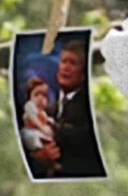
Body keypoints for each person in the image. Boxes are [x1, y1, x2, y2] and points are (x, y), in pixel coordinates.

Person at [27, 40, 106, 179]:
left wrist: (51, 127)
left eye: (73, 63)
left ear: (83, 72)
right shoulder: (50, 108)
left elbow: (82, 135)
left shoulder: (86, 107)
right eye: (64, 62)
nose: (66, 68)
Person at [21, 77, 60, 177]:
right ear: (30, 96)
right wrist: (42, 127)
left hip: (41, 134)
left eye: (44, 95)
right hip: (31, 132)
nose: (41, 98)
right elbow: (33, 119)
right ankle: (39, 155)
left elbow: (47, 120)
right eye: (37, 94)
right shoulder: (29, 106)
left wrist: (50, 123)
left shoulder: (43, 112)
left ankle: (51, 165)